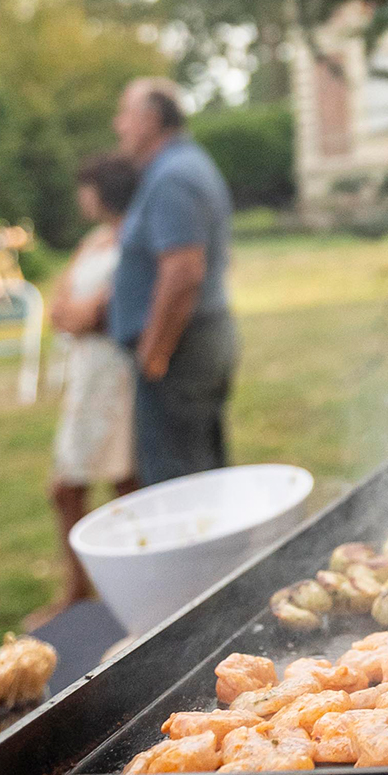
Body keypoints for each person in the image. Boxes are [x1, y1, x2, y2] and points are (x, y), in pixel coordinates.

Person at [110, 77, 237, 486]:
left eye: (125, 114)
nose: (118, 125)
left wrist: (155, 352)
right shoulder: (178, 167)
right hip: (193, 343)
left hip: (180, 351)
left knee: (181, 486)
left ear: (151, 120)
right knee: (201, 477)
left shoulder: (173, 176)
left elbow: (183, 271)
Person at [37, 153, 140, 618]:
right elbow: (61, 306)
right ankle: (82, 588)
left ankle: (105, 590)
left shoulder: (130, 241)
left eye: (86, 187)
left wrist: (76, 317)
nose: (81, 197)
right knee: (90, 483)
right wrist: (71, 315)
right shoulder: (94, 239)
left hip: (112, 374)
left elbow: (93, 314)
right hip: (84, 372)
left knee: (111, 481)